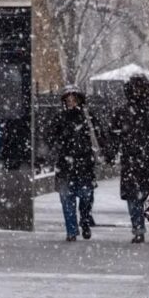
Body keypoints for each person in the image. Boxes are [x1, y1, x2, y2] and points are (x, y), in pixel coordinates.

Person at [106, 75, 149, 244]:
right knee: (136, 198)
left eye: (140, 88)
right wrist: (111, 154)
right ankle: (138, 228)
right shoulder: (125, 112)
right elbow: (114, 136)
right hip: (136, 160)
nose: (137, 91)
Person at [47, 85, 104, 242]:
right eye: (68, 100)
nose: (71, 102)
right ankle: (71, 231)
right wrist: (60, 142)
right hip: (65, 165)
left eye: (74, 99)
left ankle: (84, 220)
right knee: (67, 200)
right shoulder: (59, 118)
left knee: (86, 197)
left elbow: (99, 136)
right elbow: (50, 138)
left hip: (84, 164)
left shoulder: (88, 117)